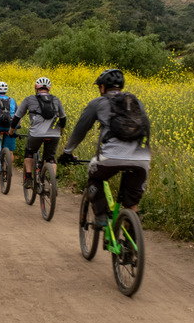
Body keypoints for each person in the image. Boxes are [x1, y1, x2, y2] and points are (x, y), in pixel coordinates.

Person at [58, 69, 151, 228]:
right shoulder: (135, 101)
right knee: (131, 204)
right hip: (142, 159)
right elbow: (146, 126)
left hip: (111, 158)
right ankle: (131, 243)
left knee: (95, 177)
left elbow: (80, 130)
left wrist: (67, 152)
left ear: (102, 88)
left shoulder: (98, 103)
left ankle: (101, 216)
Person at [8, 77, 67, 188]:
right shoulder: (56, 100)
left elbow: (17, 117)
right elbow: (63, 119)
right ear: (49, 88)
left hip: (36, 134)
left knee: (29, 152)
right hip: (54, 134)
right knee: (50, 158)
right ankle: (52, 184)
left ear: (36, 88)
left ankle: (29, 178)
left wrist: (11, 131)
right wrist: (61, 131)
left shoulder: (29, 99)